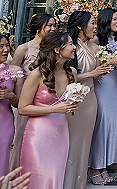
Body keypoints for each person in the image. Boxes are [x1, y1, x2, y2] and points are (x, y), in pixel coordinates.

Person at [18, 32, 79, 189]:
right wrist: (53, 108)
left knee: (55, 177)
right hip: (38, 135)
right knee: (38, 179)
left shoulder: (72, 72)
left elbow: (68, 102)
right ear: (58, 49)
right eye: (71, 44)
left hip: (61, 134)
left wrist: (73, 104)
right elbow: (22, 108)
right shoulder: (37, 74)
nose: (74, 47)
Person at [64, 11, 111, 188]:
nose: (95, 26)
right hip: (73, 99)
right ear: (79, 26)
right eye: (92, 23)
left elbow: (96, 77)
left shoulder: (93, 46)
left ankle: (80, 182)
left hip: (90, 98)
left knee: (86, 141)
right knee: (72, 141)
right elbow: (65, 76)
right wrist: (92, 73)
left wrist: (102, 69)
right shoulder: (68, 45)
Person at [9, 13, 56, 171]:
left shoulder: (53, 49)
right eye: (49, 25)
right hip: (27, 100)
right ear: (39, 27)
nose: (53, 28)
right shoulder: (24, 48)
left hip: (46, 100)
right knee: (22, 138)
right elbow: (13, 73)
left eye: (54, 25)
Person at [88, 8, 117, 184]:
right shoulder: (96, 40)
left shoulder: (115, 39)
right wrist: (110, 60)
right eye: (115, 19)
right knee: (101, 123)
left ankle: (103, 165)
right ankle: (93, 167)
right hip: (102, 84)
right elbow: (91, 61)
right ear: (106, 21)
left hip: (113, 84)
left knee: (111, 123)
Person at [0, 33, 24, 176]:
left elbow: (20, 104)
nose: (5, 50)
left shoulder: (15, 71)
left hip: (5, 123)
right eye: (1, 47)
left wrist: (10, 96)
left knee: (2, 158)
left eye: (7, 46)